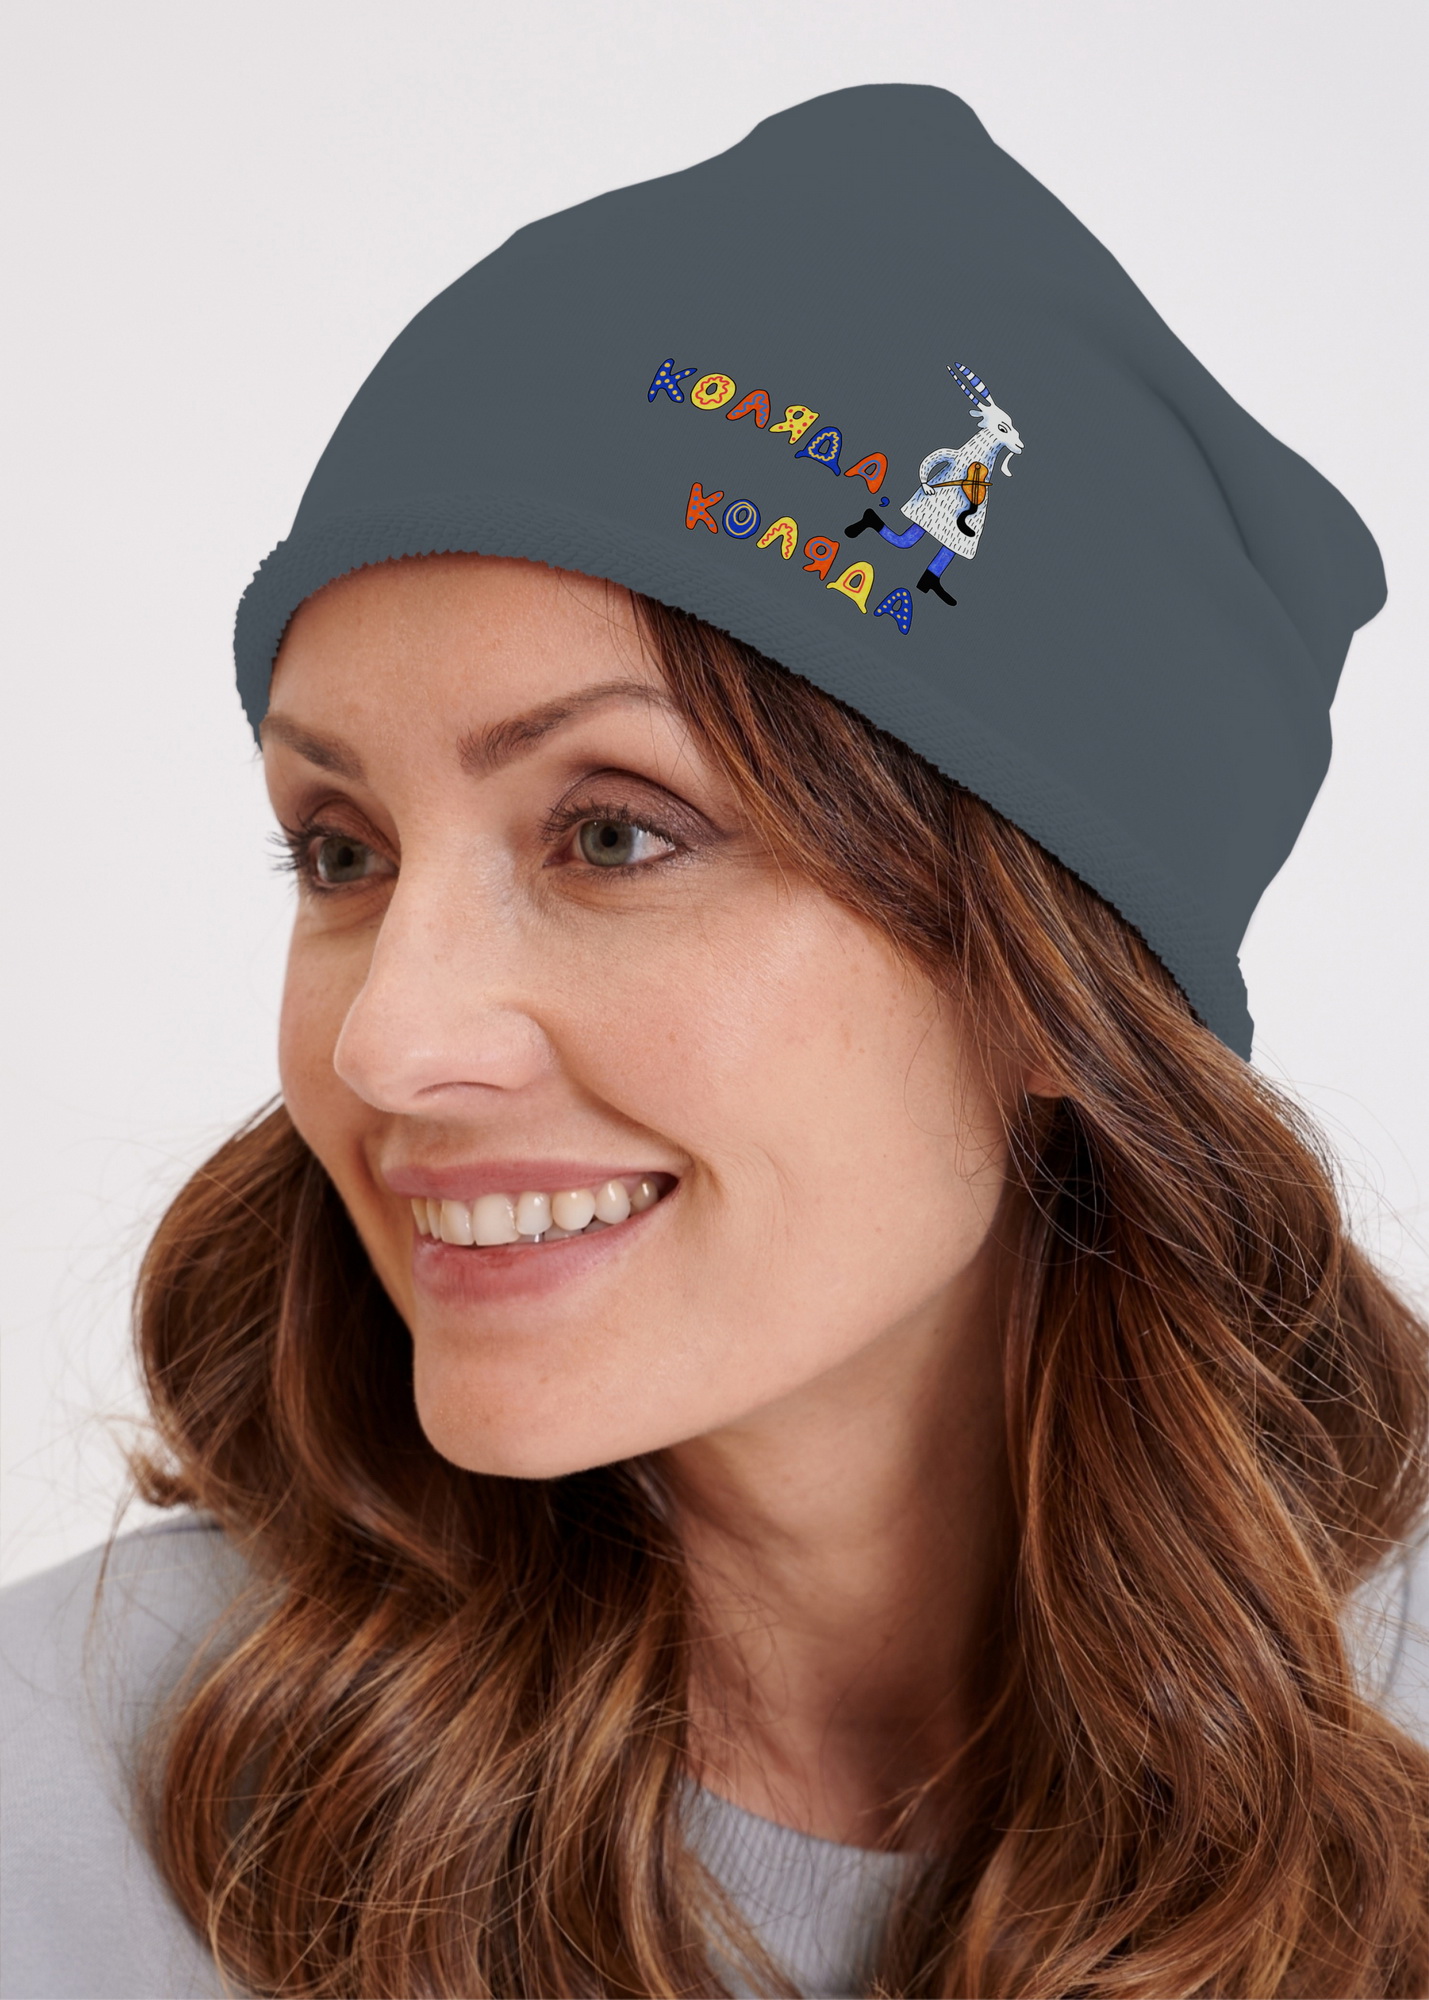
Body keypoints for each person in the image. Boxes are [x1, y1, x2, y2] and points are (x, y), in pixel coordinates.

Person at [3, 84, 1427, 2000]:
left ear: (1050, 976)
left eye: (612, 835)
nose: (390, 1042)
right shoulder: (66, 1810)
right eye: (341, 850)